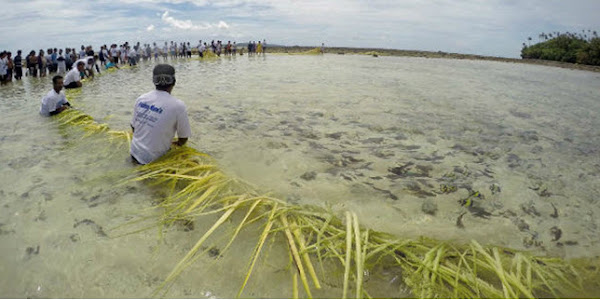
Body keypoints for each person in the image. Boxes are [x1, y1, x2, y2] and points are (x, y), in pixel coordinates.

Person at [129, 64, 191, 165]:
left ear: (154, 81)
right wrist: (175, 144)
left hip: (134, 152)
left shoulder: (141, 98)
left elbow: (134, 127)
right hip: (152, 160)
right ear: (174, 82)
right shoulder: (178, 105)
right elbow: (183, 139)